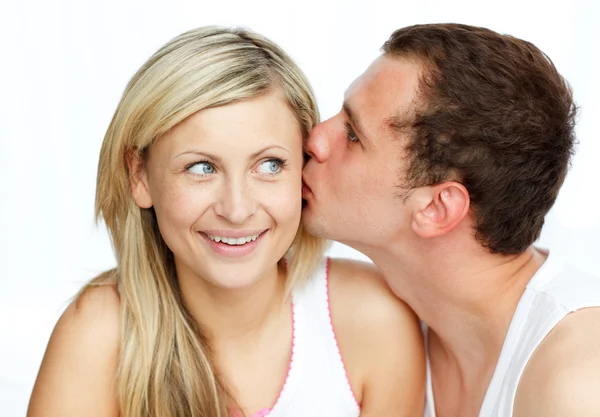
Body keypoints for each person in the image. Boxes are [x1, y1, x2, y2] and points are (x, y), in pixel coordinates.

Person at [27, 27, 425, 417]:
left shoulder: (372, 320)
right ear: (140, 177)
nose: (236, 210)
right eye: (202, 167)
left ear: (302, 168)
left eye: (269, 165)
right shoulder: (98, 335)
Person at [302, 22, 600, 417]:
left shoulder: (577, 382)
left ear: (436, 208)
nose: (314, 139)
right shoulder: (376, 323)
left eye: (354, 135)